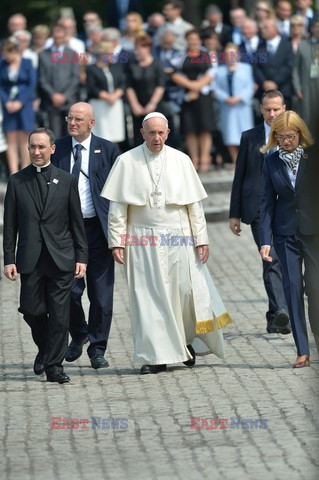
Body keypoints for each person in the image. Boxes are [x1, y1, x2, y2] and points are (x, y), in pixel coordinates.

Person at [100, 112, 233, 374]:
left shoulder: (181, 160)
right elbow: (117, 207)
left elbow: (194, 206)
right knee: (148, 298)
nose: (156, 138)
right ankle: (155, 355)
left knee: (184, 294)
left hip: (179, 236)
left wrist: (201, 239)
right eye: (151, 133)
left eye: (161, 133)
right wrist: (117, 242)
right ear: (142, 133)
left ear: (168, 133)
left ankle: (184, 344)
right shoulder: (127, 162)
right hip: (141, 237)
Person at [3, 128, 88, 383]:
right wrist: (9, 258)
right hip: (30, 259)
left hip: (61, 258)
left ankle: (54, 367)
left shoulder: (67, 180)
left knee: (60, 314)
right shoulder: (17, 181)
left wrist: (81, 257)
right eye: (32, 147)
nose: (36, 152)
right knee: (30, 310)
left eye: (41, 147)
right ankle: (46, 349)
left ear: (53, 148)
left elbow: (76, 223)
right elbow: (10, 225)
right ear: (28, 149)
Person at [51, 102, 120, 369]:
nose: (72, 123)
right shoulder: (58, 149)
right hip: (67, 232)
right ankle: (79, 334)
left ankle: (97, 348)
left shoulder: (109, 149)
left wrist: (119, 234)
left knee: (102, 296)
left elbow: (119, 192)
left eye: (78, 119)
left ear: (91, 123)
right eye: (70, 118)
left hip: (98, 231)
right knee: (68, 292)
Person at [260, 111, 319, 368]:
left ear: (300, 134)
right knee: (292, 289)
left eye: (290, 137)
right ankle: (302, 351)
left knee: (315, 290)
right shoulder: (271, 160)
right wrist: (265, 240)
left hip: (313, 231)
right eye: (281, 138)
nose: (286, 142)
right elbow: (266, 203)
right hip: (285, 234)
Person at [229, 90, 290, 335]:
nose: (272, 114)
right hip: (258, 210)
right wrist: (234, 213)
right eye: (267, 109)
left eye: (276, 109)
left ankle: (274, 316)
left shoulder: (296, 135)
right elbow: (240, 175)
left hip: (288, 209)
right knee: (270, 258)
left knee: (286, 260)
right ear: (261, 109)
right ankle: (282, 311)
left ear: (284, 108)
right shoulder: (250, 137)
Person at [214, 42, 254, 166]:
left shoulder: (246, 68)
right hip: (227, 106)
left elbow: (250, 86)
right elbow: (216, 88)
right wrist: (225, 98)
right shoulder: (219, 71)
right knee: (229, 132)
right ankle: (235, 159)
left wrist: (240, 97)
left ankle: (247, 160)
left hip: (242, 106)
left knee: (246, 132)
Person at [0, 38, 36, 174]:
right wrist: (6, 102)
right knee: (11, 139)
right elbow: (1, 86)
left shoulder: (27, 63)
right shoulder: (2, 64)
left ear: (14, 51)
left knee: (24, 138)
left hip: (24, 105)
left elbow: (31, 84)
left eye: (6, 53)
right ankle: (13, 172)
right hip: (8, 105)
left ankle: (25, 170)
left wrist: (20, 102)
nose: (5, 57)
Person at [38, 26, 80, 138]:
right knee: (54, 134)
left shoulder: (73, 54)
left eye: (61, 37)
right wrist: (53, 95)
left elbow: (75, 77)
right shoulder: (43, 55)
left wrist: (65, 95)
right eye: (56, 37)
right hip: (52, 102)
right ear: (52, 37)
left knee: (71, 132)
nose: (58, 40)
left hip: (69, 100)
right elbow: (42, 79)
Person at [126, 34, 166, 145]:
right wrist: (134, 104)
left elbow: (160, 86)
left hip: (155, 105)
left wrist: (152, 104)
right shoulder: (132, 65)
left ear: (148, 48)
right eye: (136, 48)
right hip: (138, 107)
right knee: (139, 136)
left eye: (140, 48)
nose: (137, 51)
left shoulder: (157, 64)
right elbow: (129, 86)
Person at [86, 42, 126, 144]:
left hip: (115, 104)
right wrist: (107, 96)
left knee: (115, 133)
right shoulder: (92, 69)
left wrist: (116, 95)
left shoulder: (117, 67)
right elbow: (91, 87)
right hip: (99, 105)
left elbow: (123, 83)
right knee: (102, 133)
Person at [293, 16, 319, 136]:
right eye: (317, 26)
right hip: (307, 87)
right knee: (308, 118)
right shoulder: (303, 45)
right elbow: (295, 68)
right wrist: (297, 87)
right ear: (312, 28)